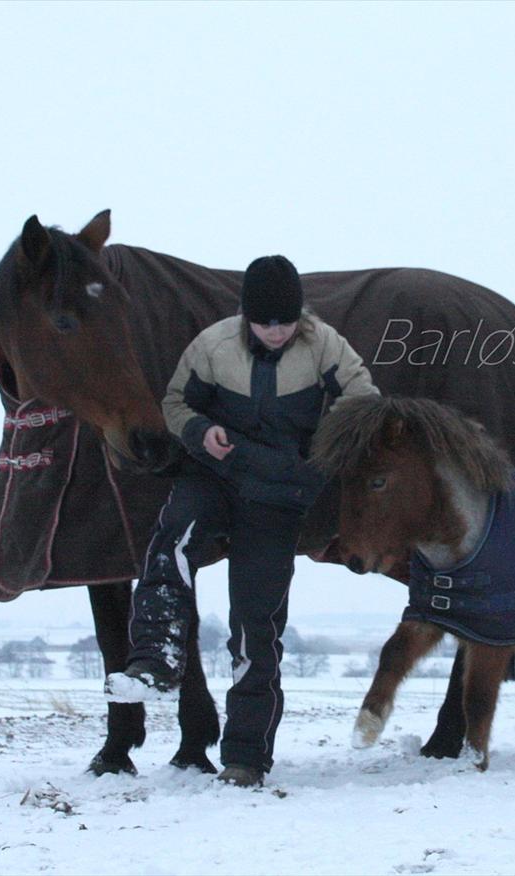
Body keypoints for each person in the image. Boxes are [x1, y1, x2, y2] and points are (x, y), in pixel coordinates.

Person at [105, 255, 378, 787]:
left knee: (256, 623)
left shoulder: (324, 345)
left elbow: (365, 401)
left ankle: (245, 757)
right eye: (264, 321)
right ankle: (155, 658)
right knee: (172, 540)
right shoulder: (212, 346)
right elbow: (175, 403)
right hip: (216, 475)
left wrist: (315, 453)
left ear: (300, 315)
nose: (275, 332)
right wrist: (201, 430)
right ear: (245, 315)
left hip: (279, 494)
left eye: (285, 320)